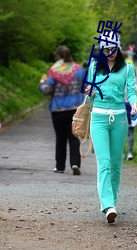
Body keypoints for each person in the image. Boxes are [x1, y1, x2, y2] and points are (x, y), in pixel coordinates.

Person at [85, 32, 137, 223]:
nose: (110, 53)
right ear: (101, 49)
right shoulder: (94, 66)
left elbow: (131, 90)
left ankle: (112, 201)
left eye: (113, 49)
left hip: (120, 119)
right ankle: (107, 205)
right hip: (98, 118)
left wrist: (134, 104)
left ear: (118, 48)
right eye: (106, 49)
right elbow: (90, 94)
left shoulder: (127, 68)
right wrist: (89, 90)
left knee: (116, 164)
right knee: (104, 162)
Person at [39, 45, 86, 175]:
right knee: (74, 136)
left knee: (60, 138)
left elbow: (47, 90)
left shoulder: (54, 71)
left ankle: (60, 167)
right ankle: (75, 163)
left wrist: (42, 83)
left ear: (58, 57)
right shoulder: (79, 70)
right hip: (75, 109)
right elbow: (85, 87)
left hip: (58, 109)